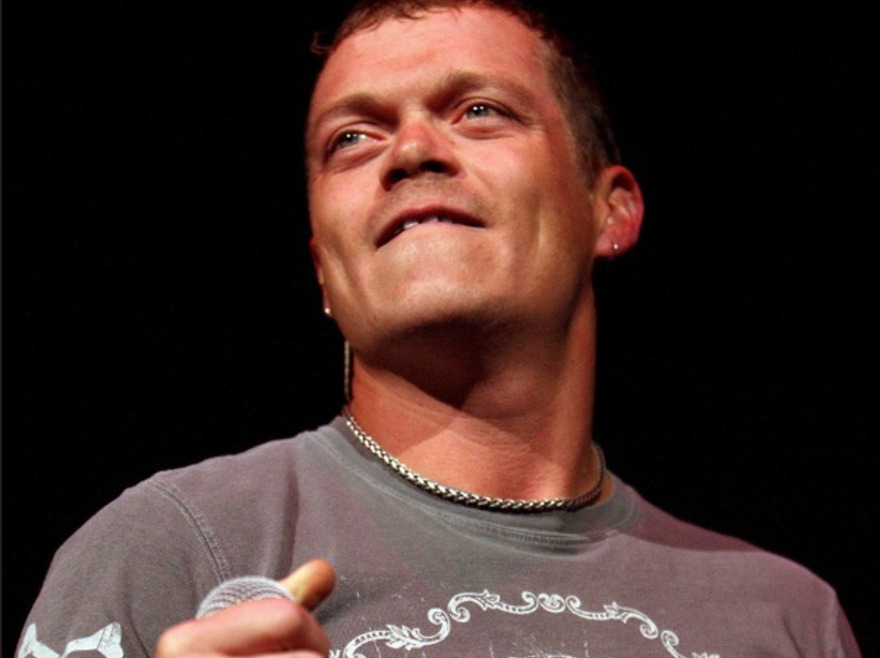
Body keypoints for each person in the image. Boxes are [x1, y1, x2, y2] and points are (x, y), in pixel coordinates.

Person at [17, 1, 861, 656]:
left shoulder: (786, 617)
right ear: (322, 269)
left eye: (479, 111)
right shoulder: (173, 546)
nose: (411, 151)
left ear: (609, 210)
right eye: (353, 138)